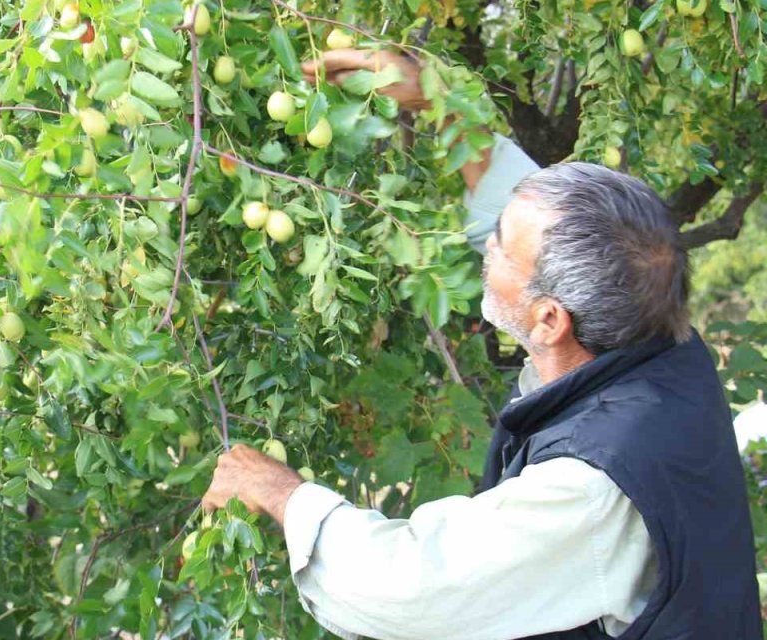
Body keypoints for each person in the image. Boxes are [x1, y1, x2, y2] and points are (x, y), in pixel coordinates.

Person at [201, 49, 761, 639]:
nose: (481, 242)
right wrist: (443, 106)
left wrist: (281, 492)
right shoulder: (653, 331)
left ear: (549, 321)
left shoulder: (592, 486)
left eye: (496, 244)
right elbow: (528, 211)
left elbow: (414, 590)